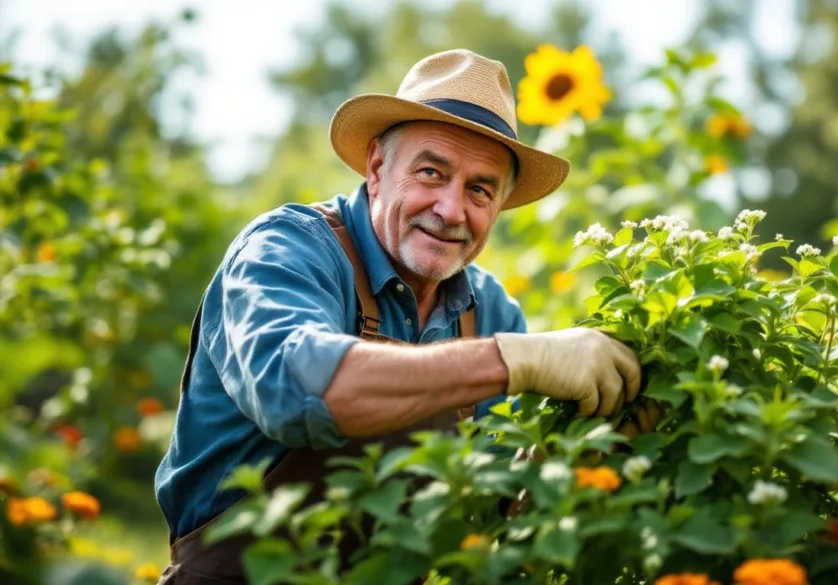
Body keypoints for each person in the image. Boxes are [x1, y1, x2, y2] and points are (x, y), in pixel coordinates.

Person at [154, 48, 654, 584]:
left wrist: (581, 454)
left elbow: (488, 512)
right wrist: (518, 360)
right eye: (431, 172)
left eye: (480, 190)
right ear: (377, 167)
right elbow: (294, 388)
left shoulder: (489, 311)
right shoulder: (287, 250)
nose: (451, 209)